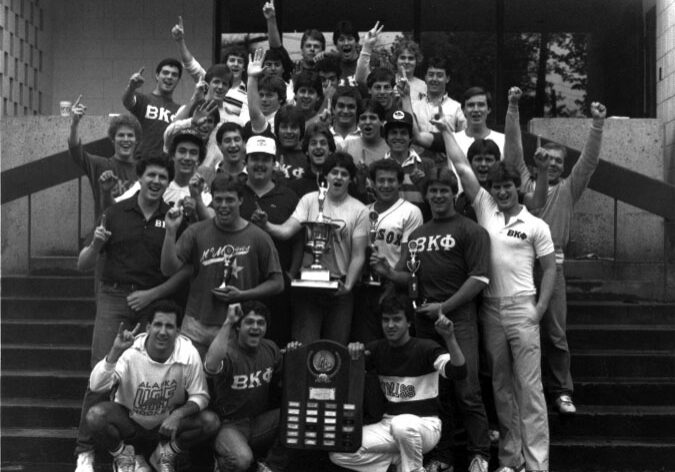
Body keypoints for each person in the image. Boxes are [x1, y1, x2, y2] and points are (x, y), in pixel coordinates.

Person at [443, 127, 556, 472]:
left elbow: (550, 269)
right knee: (502, 388)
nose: (502, 191)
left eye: (507, 186)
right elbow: (462, 167)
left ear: (516, 188)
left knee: (530, 390)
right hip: (491, 309)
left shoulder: (535, 224)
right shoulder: (485, 209)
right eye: (496, 186)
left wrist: (538, 310)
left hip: (523, 307)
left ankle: (537, 465)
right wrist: (447, 131)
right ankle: (511, 460)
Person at [74, 157, 192, 472]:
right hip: (114, 297)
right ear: (140, 177)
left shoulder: (174, 217)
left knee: (146, 377)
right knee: (102, 371)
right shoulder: (115, 212)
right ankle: (84, 451)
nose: (156, 181)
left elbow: (174, 270)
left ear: (169, 183)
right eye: (151, 175)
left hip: (151, 300)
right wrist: (96, 245)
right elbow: (83, 264)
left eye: (162, 177)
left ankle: (133, 452)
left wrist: (170, 234)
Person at [373, 166, 492, 472]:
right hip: (424, 323)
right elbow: (405, 275)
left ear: (454, 194)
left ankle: (480, 453)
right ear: (426, 195)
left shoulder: (472, 230)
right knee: (437, 393)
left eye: (444, 190)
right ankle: (443, 455)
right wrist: (388, 273)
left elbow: (478, 279)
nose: (438, 196)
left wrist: (445, 307)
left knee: (467, 387)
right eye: (433, 191)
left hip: (459, 320)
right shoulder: (417, 234)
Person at [504, 87, 607, 415]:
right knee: (516, 332)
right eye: (547, 159)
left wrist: (598, 125)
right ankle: (518, 391)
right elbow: (513, 153)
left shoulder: (568, 189)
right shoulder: (525, 183)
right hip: (518, 267)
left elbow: (589, 162)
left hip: (554, 270)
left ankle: (562, 390)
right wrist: (512, 107)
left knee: (556, 333)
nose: (553, 164)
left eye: (559, 161)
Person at [329, 292, 467, 472]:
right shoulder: (376, 349)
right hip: (389, 425)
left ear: (408, 322)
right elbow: (338, 373)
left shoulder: (426, 348)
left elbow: (459, 371)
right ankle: (397, 461)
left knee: (402, 425)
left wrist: (450, 338)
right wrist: (353, 355)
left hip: (425, 425)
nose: (390, 325)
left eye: (396, 319)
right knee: (340, 450)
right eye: (386, 320)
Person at [85, 299, 219, 472]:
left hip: (165, 425)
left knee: (211, 422)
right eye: (158, 325)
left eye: (169, 326)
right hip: (130, 422)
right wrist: (115, 352)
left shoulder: (188, 353)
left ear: (178, 331)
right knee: (95, 416)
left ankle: (165, 454)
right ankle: (125, 455)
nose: (163, 332)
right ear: (148, 328)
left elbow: (201, 395)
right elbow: (96, 386)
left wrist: (178, 415)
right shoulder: (130, 351)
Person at [160, 173, 284, 357]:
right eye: (218, 200)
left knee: (225, 384)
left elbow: (278, 283)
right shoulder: (196, 231)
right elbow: (168, 269)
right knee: (190, 384)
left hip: (236, 328)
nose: (223, 206)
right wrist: (170, 232)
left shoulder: (259, 237)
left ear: (240, 200)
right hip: (195, 325)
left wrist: (243, 295)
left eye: (230, 200)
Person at [254, 152, 369, 344]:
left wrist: (348, 285)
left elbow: (358, 255)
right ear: (325, 176)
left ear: (351, 179)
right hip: (307, 289)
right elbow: (286, 232)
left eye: (344, 173)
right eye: (334, 172)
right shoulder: (309, 200)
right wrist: (266, 225)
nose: (338, 177)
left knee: (336, 349)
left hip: (339, 289)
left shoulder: (360, 210)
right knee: (303, 348)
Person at [204, 301, 295, 472]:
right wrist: (229, 322)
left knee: (296, 413)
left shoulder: (270, 348)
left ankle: (270, 467)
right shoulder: (228, 352)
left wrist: (295, 354)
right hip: (228, 425)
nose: (255, 327)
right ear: (239, 327)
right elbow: (211, 366)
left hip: (258, 423)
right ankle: (219, 464)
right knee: (242, 460)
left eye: (260, 323)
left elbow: (289, 381)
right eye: (249, 322)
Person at [239, 136, 303, 346]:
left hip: (277, 285)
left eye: (265, 159)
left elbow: (298, 241)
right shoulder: (234, 192)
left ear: (274, 163)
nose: (259, 164)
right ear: (245, 162)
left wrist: (291, 275)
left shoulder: (289, 196)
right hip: (240, 283)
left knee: (276, 343)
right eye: (254, 158)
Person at [353, 159, 422, 343]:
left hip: (395, 286)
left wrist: (391, 283)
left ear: (399, 183)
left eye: (391, 180)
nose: (385, 185)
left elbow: (407, 254)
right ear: (372, 183)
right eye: (381, 180)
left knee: (393, 343)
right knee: (367, 344)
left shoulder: (411, 211)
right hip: (365, 287)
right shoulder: (363, 211)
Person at [68, 96, 141, 220]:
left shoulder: (144, 170)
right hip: (106, 233)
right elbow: (76, 152)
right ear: (113, 140)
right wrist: (74, 125)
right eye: (121, 135)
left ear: (136, 140)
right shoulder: (100, 165)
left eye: (130, 136)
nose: (126, 140)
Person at [172, 16, 249, 125]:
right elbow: (191, 65)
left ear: (244, 67)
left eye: (240, 62)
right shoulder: (208, 79)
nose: (235, 64)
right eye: (232, 60)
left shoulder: (247, 94)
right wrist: (180, 41)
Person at [122, 58, 182, 159]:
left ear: (178, 80)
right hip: (140, 165)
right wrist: (131, 87)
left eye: (174, 75)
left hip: (165, 168)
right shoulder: (143, 99)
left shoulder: (180, 111)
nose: (170, 77)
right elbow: (127, 102)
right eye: (166, 73)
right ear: (157, 75)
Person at [383, 109, 435, 218]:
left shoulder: (427, 165)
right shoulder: (379, 166)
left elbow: (436, 205)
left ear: (411, 137)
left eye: (403, 133)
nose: (398, 137)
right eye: (393, 132)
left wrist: (421, 185)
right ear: (386, 137)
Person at [412, 57, 466, 135]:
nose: (434, 79)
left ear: (447, 79)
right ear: (425, 78)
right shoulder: (415, 107)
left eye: (439, 76)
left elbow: (464, 139)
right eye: (431, 75)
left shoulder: (457, 108)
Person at [288, 122, 337, 198]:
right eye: (313, 143)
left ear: (330, 150)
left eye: (323, 143)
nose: (318, 147)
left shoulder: (339, 183)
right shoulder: (294, 188)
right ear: (306, 151)